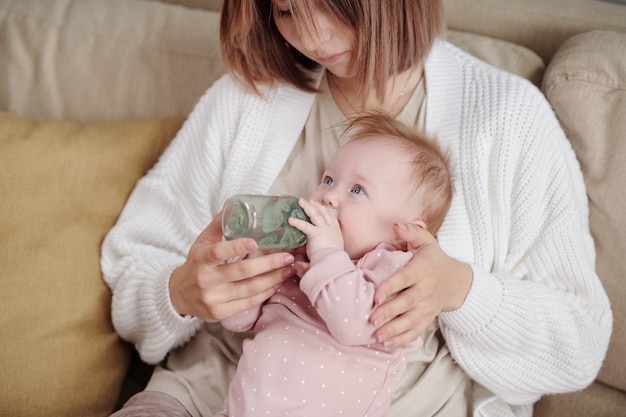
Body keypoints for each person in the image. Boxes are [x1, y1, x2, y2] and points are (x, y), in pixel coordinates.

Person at [101, 1, 612, 416]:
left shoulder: (507, 118)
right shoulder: (249, 99)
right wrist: (181, 293)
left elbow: (578, 344)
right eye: (285, 10)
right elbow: (131, 265)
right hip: (206, 396)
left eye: (330, 5)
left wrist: (461, 291)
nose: (313, 37)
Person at [214, 112, 452, 417]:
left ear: (405, 232)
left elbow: (353, 324)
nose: (329, 197)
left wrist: (327, 253)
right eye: (328, 180)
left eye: (357, 190)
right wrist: (250, 257)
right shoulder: (301, 257)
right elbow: (237, 320)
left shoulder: (396, 268)